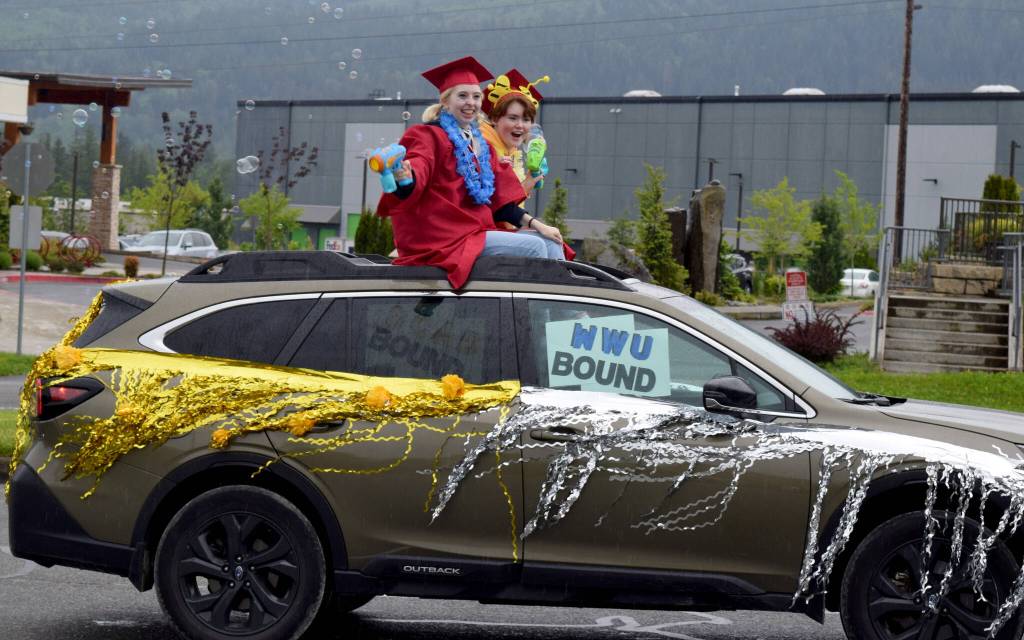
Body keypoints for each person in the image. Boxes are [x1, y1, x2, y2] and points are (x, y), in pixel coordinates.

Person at [374, 57, 562, 289]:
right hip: (442, 238)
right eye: (462, 95)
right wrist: (405, 177)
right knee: (534, 248)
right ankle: (537, 315)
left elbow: (500, 201)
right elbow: (418, 167)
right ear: (446, 101)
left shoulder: (480, 144)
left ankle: (568, 317)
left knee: (552, 242)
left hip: (475, 231)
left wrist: (537, 224)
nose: (470, 103)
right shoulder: (427, 135)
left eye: (475, 96)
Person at [480, 69, 572, 261]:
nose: (520, 125)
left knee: (554, 242)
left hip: (498, 229)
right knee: (537, 244)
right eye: (512, 118)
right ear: (494, 119)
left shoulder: (512, 152)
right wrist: (526, 186)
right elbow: (496, 207)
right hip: (478, 230)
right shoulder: (482, 148)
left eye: (526, 119)